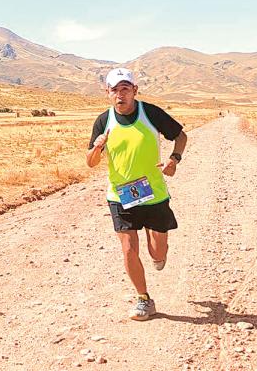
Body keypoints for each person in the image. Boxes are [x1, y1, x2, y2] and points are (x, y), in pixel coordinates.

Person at [86, 67, 188, 321]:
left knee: (157, 252)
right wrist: (98, 146)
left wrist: (174, 159)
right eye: (114, 90)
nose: (120, 95)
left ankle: (160, 253)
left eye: (125, 89)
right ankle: (144, 299)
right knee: (129, 249)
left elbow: (180, 136)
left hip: (153, 192)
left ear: (134, 91)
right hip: (121, 195)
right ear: (107, 93)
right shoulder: (103, 121)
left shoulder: (150, 113)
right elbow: (90, 162)